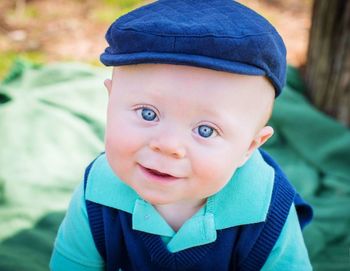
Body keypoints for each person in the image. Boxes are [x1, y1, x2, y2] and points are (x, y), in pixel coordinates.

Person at [50, 0, 313, 270]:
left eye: (205, 130)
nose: (168, 145)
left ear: (249, 146)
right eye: (148, 114)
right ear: (110, 101)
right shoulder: (97, 189)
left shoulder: (267, 210)